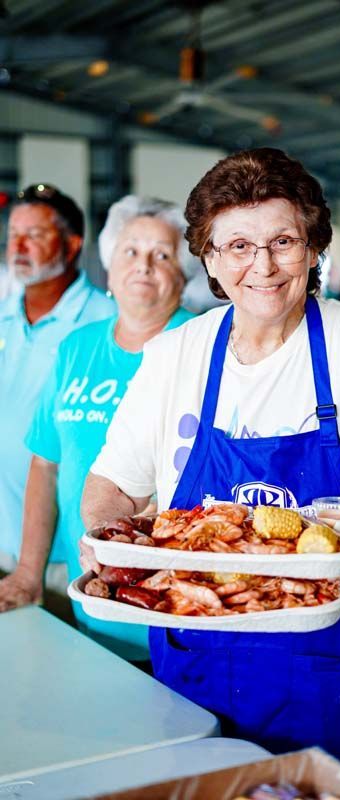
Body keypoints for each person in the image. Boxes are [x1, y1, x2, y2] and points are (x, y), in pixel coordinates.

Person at [81, 148, 340, 799]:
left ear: (314, 246)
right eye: (236, 245)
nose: (260, 266)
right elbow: (113, 487)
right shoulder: (175, 355)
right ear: (207, 259)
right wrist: (113, 550)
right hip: (201, 640)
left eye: (282, 241)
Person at [0, 195, 196, 661]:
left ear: (184, 273)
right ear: (109, 266)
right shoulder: (77, 348)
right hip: (89, 599)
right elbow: (45, 465)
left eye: (162, 255)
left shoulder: (202, 346)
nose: (143, 266)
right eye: (130, 251)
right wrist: (29, 573)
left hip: (176, 613)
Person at [0, 184, 114, 585]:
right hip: (6, 543)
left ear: (71, 244)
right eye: (14, 234)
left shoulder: (108, 322)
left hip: (69, 558)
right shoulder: (4, 318)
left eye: (35, 235)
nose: (19, 246)